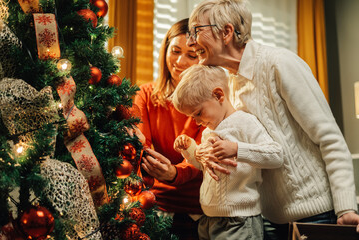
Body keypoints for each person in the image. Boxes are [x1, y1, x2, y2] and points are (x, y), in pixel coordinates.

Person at [186, 0, 359, 239]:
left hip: (318, 215)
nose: (189, 41)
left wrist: (346, 207)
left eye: (196, 30)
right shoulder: (231, 85)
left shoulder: (280, 63)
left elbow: (329, 138)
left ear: (226, 32)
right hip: (268, 220)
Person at [172, 64, 283, 240]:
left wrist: (237, 149)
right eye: (192, 117)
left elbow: (276, 155)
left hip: (239, 221)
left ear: (218, 95)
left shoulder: (244, 122)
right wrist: (190, 150)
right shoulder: (209, 130)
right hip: (208, 218)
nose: (197, 122)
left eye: (198, 113)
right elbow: (206, 167)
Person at [133, 18, 204, 240]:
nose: (180, 62)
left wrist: (175, 173)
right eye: (175, 51)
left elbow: (202, 155)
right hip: (155, 203)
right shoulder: (145, 94)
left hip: (198, 208)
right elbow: (139, 144)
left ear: (203, 59)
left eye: (191, 56)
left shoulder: (211, 100)